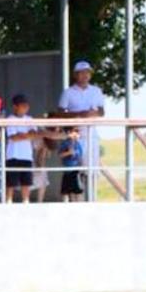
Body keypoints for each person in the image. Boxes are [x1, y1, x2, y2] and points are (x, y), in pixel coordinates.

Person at [56, 60, 105, 201]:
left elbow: (102, 111)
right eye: (82, 73)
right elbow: (60, 113)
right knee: (75, 171)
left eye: (87, 72)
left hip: (91, 135)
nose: (85, 75)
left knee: (92, 171)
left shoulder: (96, 91)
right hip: (74, 136)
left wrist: (92, 114)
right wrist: (79, 114)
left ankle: (92, 200)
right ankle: (77, 203)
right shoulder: (68, 92)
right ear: (75, 75)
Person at [4, 94, 36, 203]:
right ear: (15, 107)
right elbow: (14, 137)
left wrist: (22, 135)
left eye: (27, 106)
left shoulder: (30, 119)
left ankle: (26, 201)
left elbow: (34, 134)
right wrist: (26, 135)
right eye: (23, 105)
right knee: (11, 182)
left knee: (26, 181)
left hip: (26, 156)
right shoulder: (10, 119)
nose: (26, 108)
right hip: (13, 155)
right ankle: (8, 201)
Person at [58, 126, 85, 201]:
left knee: (78, 191)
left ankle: (79, 205)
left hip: (76, 170)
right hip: (67, 170)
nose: (77, 133)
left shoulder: (78, 144)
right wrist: (68, 152)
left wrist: (82, 169)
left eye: (78, 131)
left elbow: (80, 156)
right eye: (75, 131)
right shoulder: (65, 143)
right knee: (66, 191)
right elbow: (60, 155)